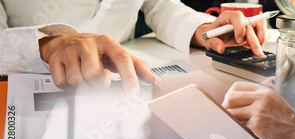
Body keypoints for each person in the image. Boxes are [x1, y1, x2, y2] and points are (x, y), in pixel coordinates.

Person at [0, 0, 267, 97]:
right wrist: (47, 44)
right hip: (20, 94)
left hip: (122, 93)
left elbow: (159, 5)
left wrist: (207, 30)